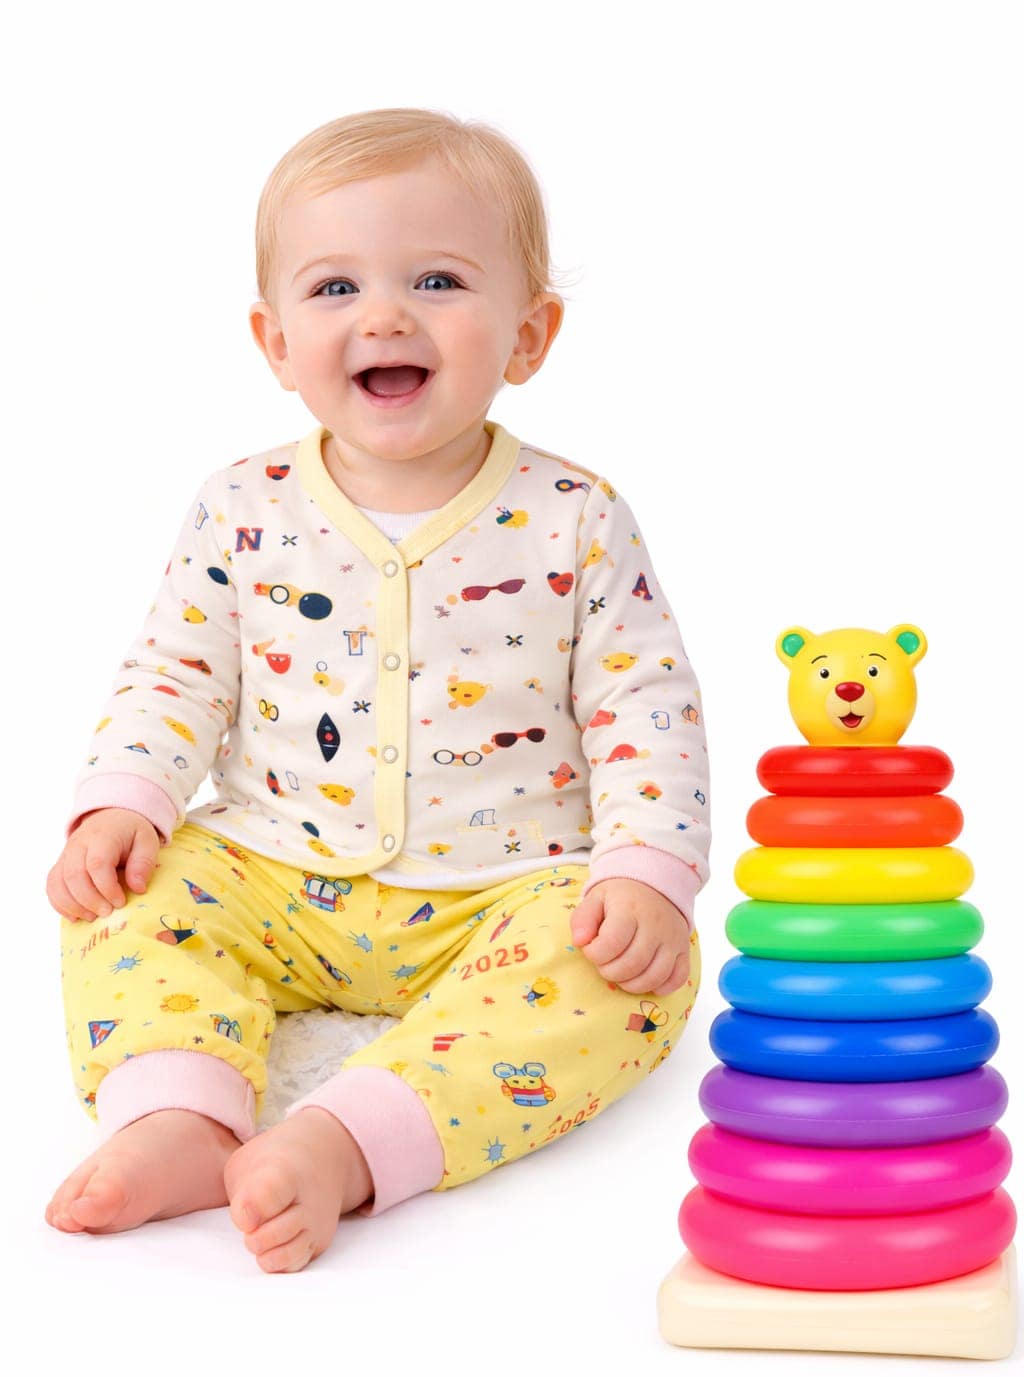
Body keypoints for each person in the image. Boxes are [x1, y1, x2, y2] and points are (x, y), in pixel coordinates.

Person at [45, 107, 711, 1273]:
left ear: (529, 334)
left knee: (632, 977)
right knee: (130, 898)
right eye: (335, 287)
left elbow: (643, 704)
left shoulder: (576, 516)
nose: (385, 317)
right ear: (275, 342)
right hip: (274, 872)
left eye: (438, 281)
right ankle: (178, 1112)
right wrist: (124, 802)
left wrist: (644, 871)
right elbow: (175, 672)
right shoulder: (242, 506)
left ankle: (348, 1140)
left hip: (504, 892)